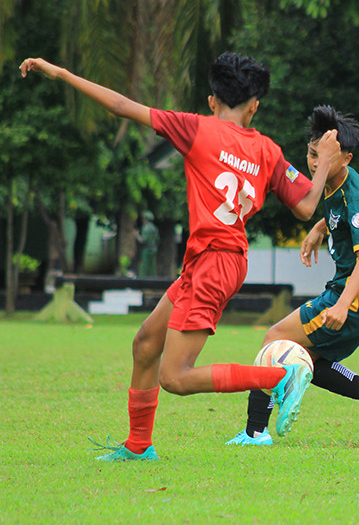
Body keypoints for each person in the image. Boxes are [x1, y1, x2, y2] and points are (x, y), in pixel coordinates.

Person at [20, 53, 340, 461]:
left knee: (176, 377)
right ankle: (138, 446)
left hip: (214, 263)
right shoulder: (267, 151)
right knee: (145, 345)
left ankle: (280, 376)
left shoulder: (196, 128)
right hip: (215, 261)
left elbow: (122, 106)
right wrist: (324, 162)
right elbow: (306, 207)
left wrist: (62, 73)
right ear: (254, 105)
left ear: (212, 100)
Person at [226, 106, 359, 446]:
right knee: (311, 358)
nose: (315, 163)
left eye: (324, 157)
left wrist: (342, 305)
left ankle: (255, 431)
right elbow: (342, 213)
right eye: (311, 154)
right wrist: (321, 227)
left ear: (345, 157)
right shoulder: (339, 183)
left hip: (356, 295)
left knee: (274, 338)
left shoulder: (356, 195)